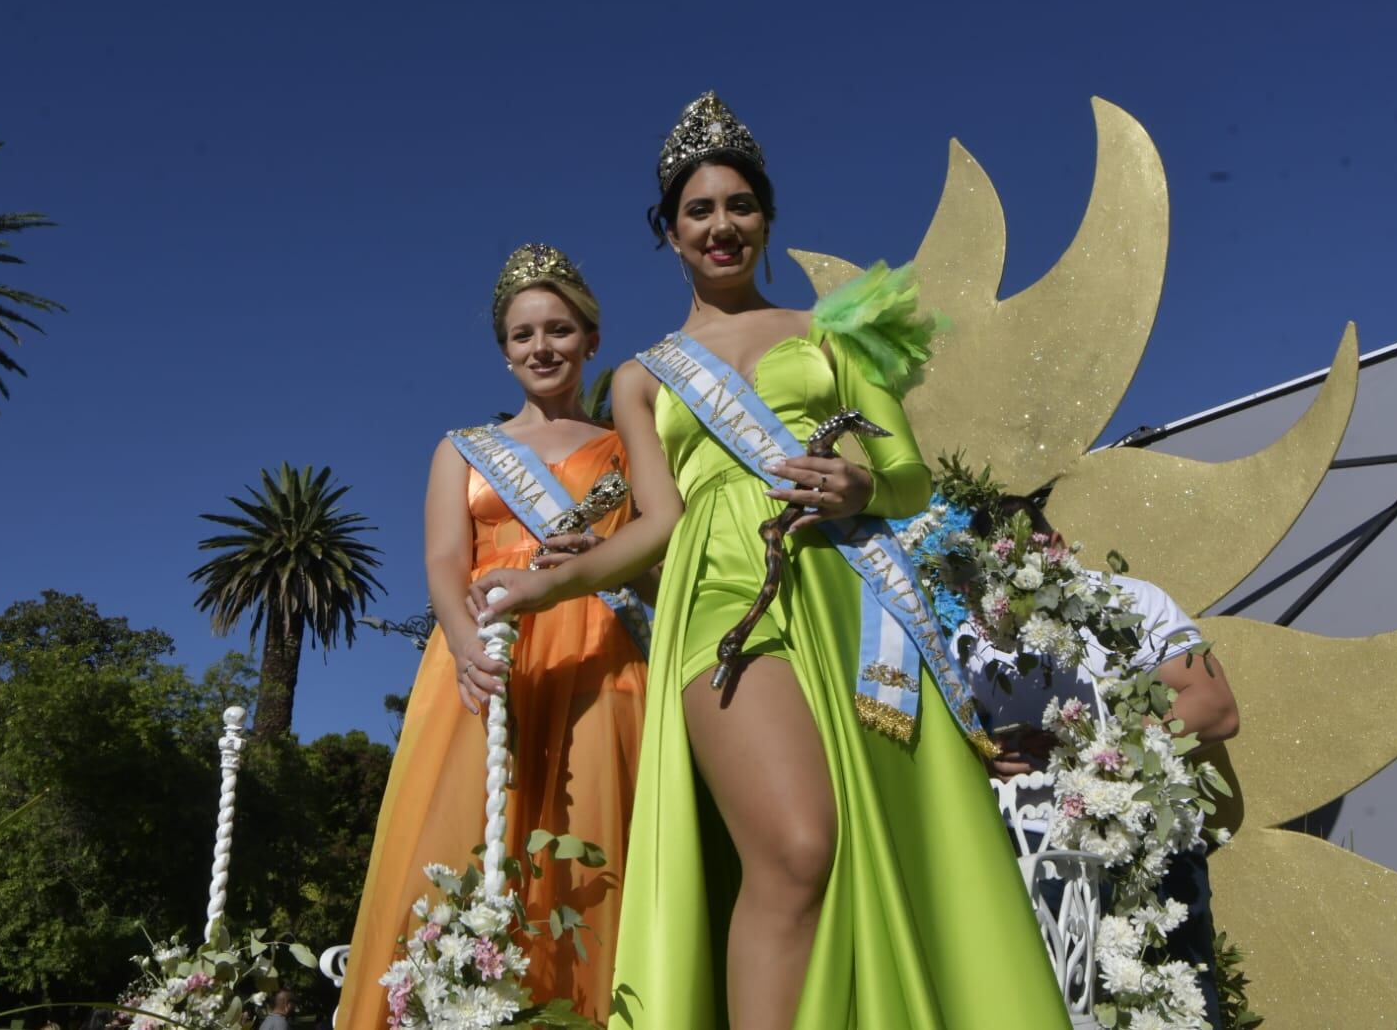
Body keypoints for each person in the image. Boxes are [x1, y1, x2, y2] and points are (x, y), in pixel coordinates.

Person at [475, 92, 1070, 1029]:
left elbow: (906, 475)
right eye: (698, 211)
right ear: (668, 233)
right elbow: (656, 522)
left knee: (874, 847)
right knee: (794, 847)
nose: (722, 226)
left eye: (739, 206)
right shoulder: (640, 375)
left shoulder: (835, 333)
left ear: (766, 217)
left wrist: (860, 488)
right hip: (720, 598)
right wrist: (545, 582)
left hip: (847, 595)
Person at [336, 244, 649, 1025]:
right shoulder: (461, 449)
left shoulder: (629, 449)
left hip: (596, 655)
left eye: (559, 329)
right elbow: (445, 561)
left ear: (590, 340)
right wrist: (465, 645)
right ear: (504, 352)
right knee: (458, 838)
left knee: (590, 849)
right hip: (481, 655)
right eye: (522, 335)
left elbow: (654, 559)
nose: (541, 348)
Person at [968, 495, 1239, 1027]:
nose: (1017, 583)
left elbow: (1214, 707)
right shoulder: (968, 638)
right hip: (1028, 857)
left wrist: (1091, 748)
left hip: (1146, 850)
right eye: (996, 575)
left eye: (1029, 559)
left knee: (1178, 1005)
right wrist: (982, 753)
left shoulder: (1127, 602)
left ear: (1060, 546)